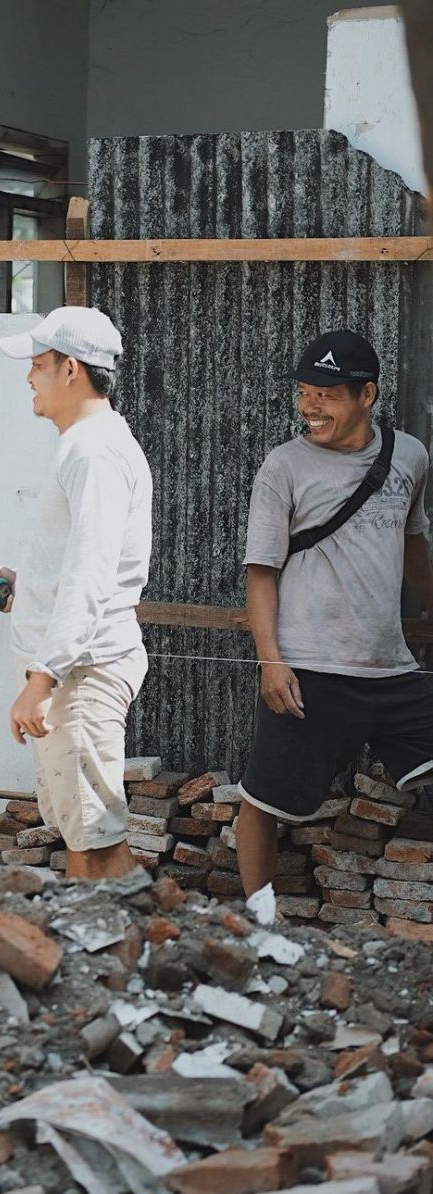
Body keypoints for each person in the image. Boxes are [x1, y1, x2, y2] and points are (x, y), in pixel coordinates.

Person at [236, 329, 433, 897]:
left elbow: (413, 545)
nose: (309, 407)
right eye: (303, 392)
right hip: (309, 671)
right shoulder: (284, 467)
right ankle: (257, 921)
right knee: (263, 797)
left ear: (365, 394)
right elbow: (261, 572)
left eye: (325, 394)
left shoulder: (410, 456)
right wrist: (271, 663)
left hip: (391, 668)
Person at [0, 306, 153, 880]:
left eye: (37, 364)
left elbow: (92, 576)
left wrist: (42, 679)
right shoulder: (86, 443)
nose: (28, 376)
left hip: (82, 672)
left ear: (70, 369)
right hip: (75, 667)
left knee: (96, 841)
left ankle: (114, 959)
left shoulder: (93, 450)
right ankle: (108, 956)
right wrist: (21, 588)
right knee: (84, 832)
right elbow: (77, 562)